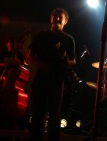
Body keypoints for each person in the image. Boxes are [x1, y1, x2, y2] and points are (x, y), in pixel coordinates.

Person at [27, 8, 76, 141]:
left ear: (66, 21)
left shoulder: (68, 39)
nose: (57, 19)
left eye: (60, 17)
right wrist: (41, 65)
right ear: (51, 19)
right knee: (37, 114)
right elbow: (30, 55)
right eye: (55, 16)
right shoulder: (41, 35)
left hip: (57, 81)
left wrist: (67, 63)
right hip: (40, 79)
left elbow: (73, 60)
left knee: (55, 115)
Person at [0, 35, 29, 128]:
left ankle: (12, 119)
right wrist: (4, 64)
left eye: (13, 43)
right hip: (3, 80)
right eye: (10, 43)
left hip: (13, 84)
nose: (11, 45)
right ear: (7, 44)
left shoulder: (18, 54)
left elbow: (25, 63)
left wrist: (17, 58)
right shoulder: (4, 54)